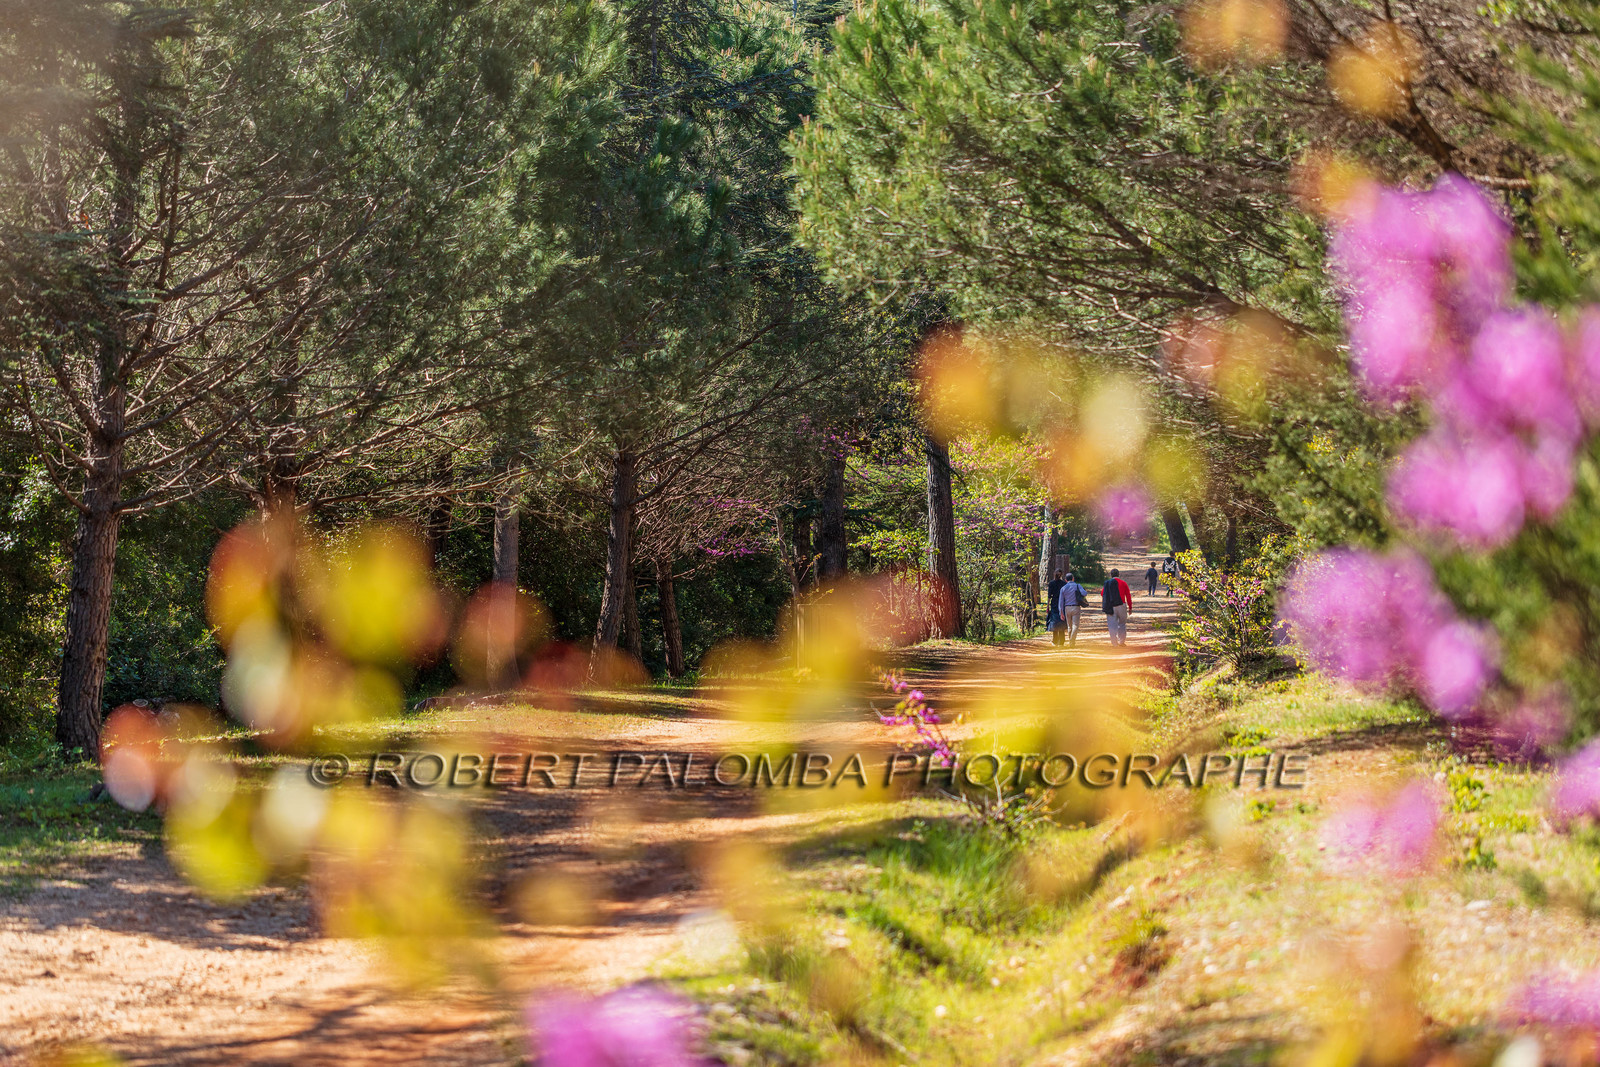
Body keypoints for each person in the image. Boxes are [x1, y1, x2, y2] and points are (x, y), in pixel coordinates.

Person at [1102, 568, 1132, 646]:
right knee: (1122, 623)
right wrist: (1130, 607)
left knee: (1112, 624)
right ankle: (1121, 641)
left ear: (1111, 575)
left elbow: (1102, 593)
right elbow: (1128, 595)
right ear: (1119, 574)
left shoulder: (1108, 583)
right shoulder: (1123, 583)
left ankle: (1114, 643)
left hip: (1111, 606)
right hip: (1122, 605)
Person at [1056, 571, 1088, 648]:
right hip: (1076, 607)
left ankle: (1071, 641)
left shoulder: (1063, 588)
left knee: (1069, 626)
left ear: (1066, 580)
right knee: (1075, 626)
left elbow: (1060, 601)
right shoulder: (1077, 586)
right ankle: (1072, 641)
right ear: (1073, 579)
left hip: (1067, 608)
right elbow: (1084, 593)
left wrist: (1061, 612)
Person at [1046, 569, 1066, 647]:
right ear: (1061, 575)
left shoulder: (1051, 583)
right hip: (1062, 603)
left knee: (1054, 621)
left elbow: (1049, 596)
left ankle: (1055, 640)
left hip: (1054, 603)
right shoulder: (1064, 583)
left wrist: (1047, 606)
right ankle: (1061, 641)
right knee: (1061, 620)